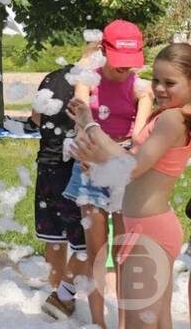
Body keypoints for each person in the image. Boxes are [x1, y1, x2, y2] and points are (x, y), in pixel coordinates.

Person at [69, 43, 191, 329]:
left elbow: (134, 168)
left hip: (149, 232)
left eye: (170, 82)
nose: (159, 88)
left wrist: (99, 157)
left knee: (141, 323)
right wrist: (90, 125)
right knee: (156, 321)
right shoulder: (169, 116)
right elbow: (129, 158)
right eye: (156, 80)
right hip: (149, 228)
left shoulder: (172, 120)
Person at [65, 20, 153, 327]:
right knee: (97, 251)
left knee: (126, 253)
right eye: (119, 62)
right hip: (90, 164)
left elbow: (139, 141)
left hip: (122, 163)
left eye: (131, 63)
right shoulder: (88, 79)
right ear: (104, 51)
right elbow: (80, 122)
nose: (125, 69)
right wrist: (90, 158)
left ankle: (126, 321)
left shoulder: (141, 88)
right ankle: (99, 322)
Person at [30, 63, 89, 319]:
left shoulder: (52, 76)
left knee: (54, 236)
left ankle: (54, 291)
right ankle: (67, 297)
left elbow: (36, 117)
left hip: (47, 163)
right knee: (85, 239)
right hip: (74, 166)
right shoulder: (93, 81)